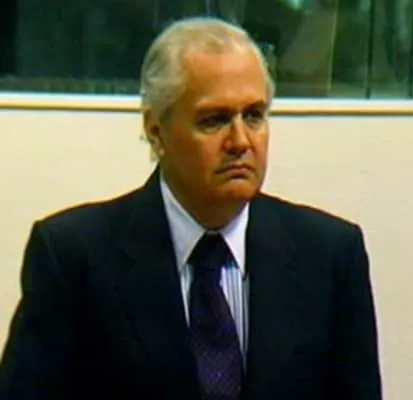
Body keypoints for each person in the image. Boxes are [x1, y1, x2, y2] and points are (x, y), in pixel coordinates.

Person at [0, 17, 382, 400]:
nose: (240, 141)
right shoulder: (74, 257)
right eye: (214, 120)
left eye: (254, 116)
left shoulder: (330, 255)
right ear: (156, 130)